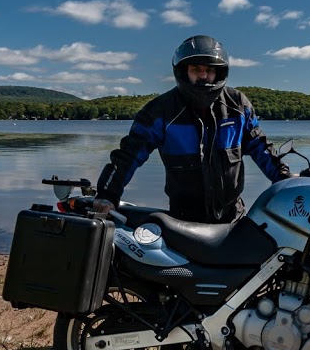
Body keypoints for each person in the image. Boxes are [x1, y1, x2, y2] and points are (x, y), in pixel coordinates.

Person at [93, 34, 290, 223]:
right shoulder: (160, 111)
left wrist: (286, 179)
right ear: (183, 71)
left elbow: (261, 147)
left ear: (218, 72)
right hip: (183, 219)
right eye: (196, 69)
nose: (203, 75)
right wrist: (107, 194)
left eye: (209, 70)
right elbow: (128, 155)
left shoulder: (238, 105)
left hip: (233, 214)